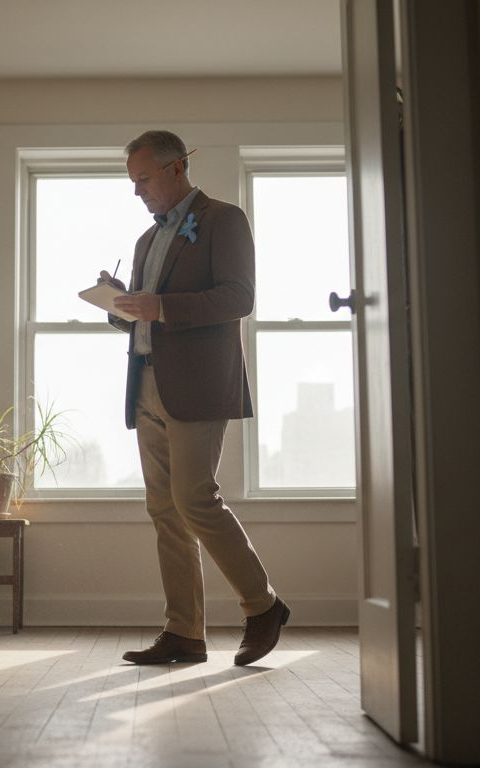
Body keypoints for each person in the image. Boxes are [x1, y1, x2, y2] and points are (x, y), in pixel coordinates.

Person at [101, 130, 289, 666]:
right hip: (147, 383)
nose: (137, 191)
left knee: (195, 499)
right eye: (132, 181)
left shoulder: (223, 220)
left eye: (143, 179)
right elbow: (148, 313)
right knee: (164, 509)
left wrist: (159, 307)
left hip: (200, 384)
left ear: (176, 168)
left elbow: (239, 297)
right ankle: (184, 632)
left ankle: (263, 604)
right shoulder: (144, 240)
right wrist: (121, 306)